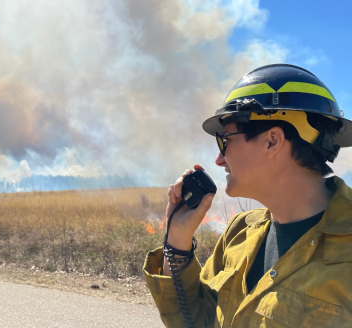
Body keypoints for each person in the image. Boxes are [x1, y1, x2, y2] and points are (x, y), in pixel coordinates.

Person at [143, 63, 352, 328]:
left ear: (272, 141)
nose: (219, 159)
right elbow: (197, 321)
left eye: (225, 139)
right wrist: (177, 243)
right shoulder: (239, 232)